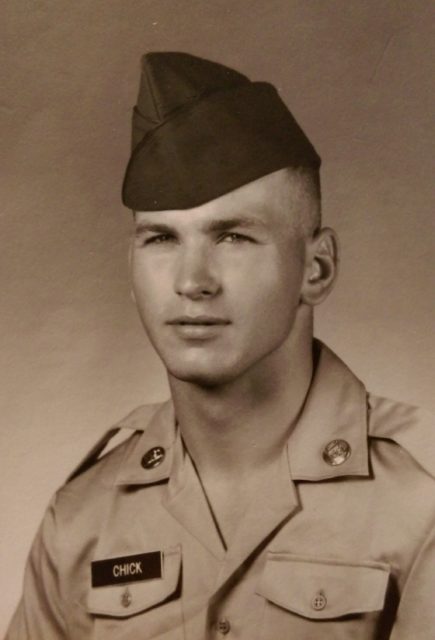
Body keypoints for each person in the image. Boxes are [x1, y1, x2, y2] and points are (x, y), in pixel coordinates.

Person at [6, 52, 435, 640]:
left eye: (232, 236)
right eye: (161, 238)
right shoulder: (83, 518)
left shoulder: (420, 500)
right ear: (132, 267)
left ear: (317, 267)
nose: (192, 281)